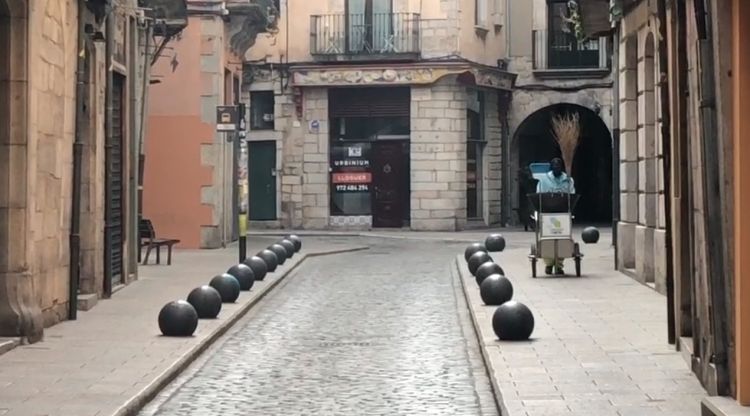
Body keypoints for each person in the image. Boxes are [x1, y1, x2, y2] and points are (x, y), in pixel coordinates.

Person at [536, 158, 575, 275]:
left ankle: (559, 265)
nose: (557, 168)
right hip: (548, 214)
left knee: (562, 239)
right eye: (555, 166)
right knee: (548, 240)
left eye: (559, 166)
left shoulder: (568, 180)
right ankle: (549, 264)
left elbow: (572, 194)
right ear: (551, 167)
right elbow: (539, 194)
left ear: (562, 167)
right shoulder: (544, 180)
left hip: (562, 213)